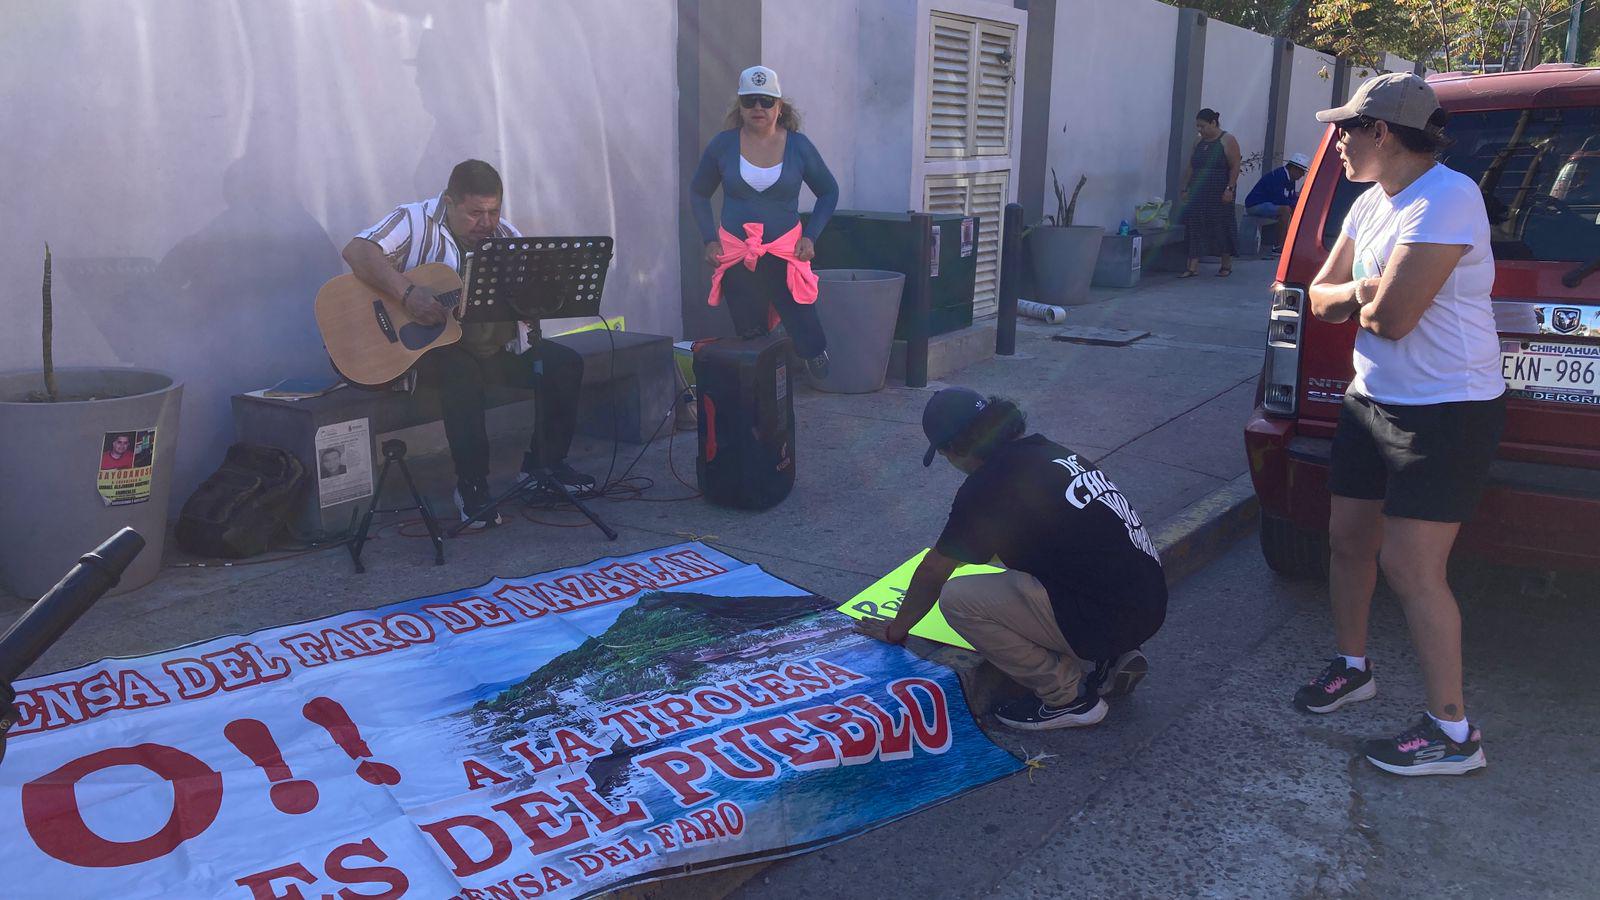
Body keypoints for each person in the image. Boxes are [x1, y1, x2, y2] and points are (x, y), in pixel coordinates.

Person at [1301, 73, 1504, 777]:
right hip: (1371, 400)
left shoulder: (1448, 198)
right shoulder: (1368, 206)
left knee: (1412, 567)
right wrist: (1362, 288)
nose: (1336, 148)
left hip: (1447, 410)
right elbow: (1319, 298)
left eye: (1344, 133)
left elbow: (1392, 320)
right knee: (1348, 542)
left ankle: (1454, 734)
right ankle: (1353, 668)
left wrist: (1358, 297)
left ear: (1381, 131)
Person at [859, 387, 1167, 730]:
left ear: (951, 450)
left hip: (1106, 616)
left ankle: (1064, 697)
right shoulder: (1047, 451)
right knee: (1027, 560)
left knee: (959, 599)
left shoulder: (988, 485)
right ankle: (1114, 655)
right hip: (1148, 602)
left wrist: (896, 629)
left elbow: (935, 571)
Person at [342, 160, 592, 529]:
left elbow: (522, 303)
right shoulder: (414, 220)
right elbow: (357, 252)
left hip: (488, 349)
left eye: (493, 212)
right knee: (462, 373)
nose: (486, 222)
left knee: (563, 364)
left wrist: (539, 297)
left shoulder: (506, 237)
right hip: (420, 355)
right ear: (449, 202)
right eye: (475, 213)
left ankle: (542, 466)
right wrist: (407, 294)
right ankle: (472, 486)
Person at [691, 65, 839, 380]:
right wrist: (709, 240)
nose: (758, 107)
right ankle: (762, 392)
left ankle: (809, 355)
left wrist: (811, 237)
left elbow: (828, 192)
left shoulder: (799, 146)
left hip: (786, 252)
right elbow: (698, 192)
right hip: (737, 254)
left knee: (807, 332)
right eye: (750, 101)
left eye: (766, 101)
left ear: (779, 107)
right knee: (750, 336)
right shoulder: (722, 145)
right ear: (740, 107)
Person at [1179, 108, 1241, 278]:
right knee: (1195, 225)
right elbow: (1191, 166)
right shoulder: (1198, 142)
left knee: (1221, 225)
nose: (1200, 130)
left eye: (1203, 126)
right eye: (1198, 127)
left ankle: (1225, 264)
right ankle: (1192, 266)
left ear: (1213, 123)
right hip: (1198, 190)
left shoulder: (1227, 140)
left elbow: (1235, 165)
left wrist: (1230, 188)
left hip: (1219, 189)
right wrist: (1184, 188)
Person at [1245, 152, 1310, 252]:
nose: (1302, 175)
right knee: (1285, 210)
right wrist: (1295, 204)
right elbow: (1279, 199)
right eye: (1301, 172)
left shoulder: (1291, 179)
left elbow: (1290, 197)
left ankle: (1293, 241)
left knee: (1293, 208)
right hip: (1255, 205)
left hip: (1270, 204)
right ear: (1294, 169)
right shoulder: (1279, 176)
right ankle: (1280, 246)